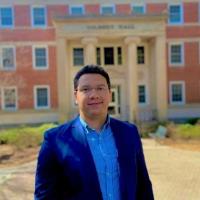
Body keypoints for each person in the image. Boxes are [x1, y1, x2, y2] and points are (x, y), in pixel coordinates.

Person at [34, 65, 154, 200]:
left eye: (100, 88)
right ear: (76, 96)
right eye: (85, 89)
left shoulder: (129, 132)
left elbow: (143, 185)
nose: (94, 95)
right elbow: (44, 196)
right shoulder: (55, 140)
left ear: (110, 93)